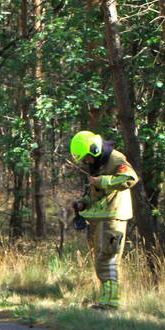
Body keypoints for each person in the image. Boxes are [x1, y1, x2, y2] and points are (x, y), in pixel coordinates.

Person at [69, 130, 138, 309]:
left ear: (94, 150)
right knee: (103, 258)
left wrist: (103, 181)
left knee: (108, 258)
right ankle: (106, 300)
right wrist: (83, 204)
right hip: (104, 217)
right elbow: (96, 193)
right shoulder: (99, 163)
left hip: (114, 217)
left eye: (87, 158)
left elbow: (130, 178)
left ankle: (111, 303)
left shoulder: (115, 159)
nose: (86, 162)